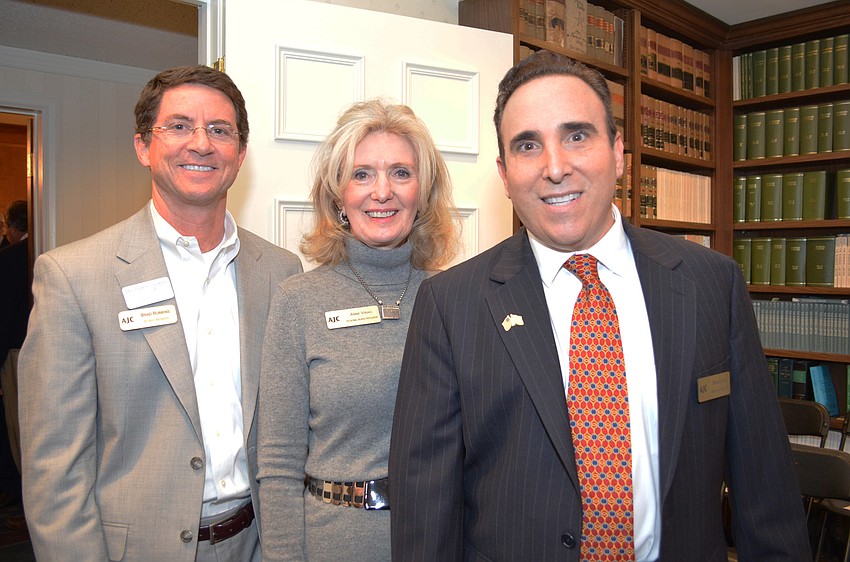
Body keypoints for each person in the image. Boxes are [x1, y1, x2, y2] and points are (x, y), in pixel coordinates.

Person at [389, 50, 811, 561]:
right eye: (528, 145)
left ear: (618, 152)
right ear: (504, 173)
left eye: (576, 135)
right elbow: (425, 513)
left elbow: (763, 486)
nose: (555, 167)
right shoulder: (450, 306)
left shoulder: (709, 283)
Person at [18, 65, 302, 561]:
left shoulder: (280, 271)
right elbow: (54, 470)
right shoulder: (73, 276)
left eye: (220, 130)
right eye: (178, 126)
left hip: (258, 544)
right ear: (143, 147)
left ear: (239, 155)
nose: (200, 143)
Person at [257, 99, 459, 561]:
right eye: (361, 174)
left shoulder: (455, 298)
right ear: (337, 196)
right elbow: (278, 464)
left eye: (401, 173)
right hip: (333, 542)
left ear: (423, 193)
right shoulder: (298, 301)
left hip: (435, 540)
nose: (381, 191)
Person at [0, 200, 29, 521]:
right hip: (33, 347)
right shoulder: (42, 252)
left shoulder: (7, 260)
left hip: (15, 353)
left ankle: (24, 499)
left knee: (19, 428)